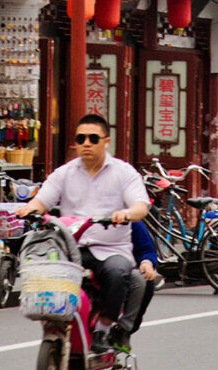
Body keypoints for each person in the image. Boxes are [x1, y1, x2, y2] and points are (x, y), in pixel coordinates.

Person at [23, 112, 148, 348]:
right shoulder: (64, 173)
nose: (86, 144)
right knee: (44, 268)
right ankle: (56, 321)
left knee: (118, 272)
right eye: (81, 139)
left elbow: (140, 206)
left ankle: (103, 327)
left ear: (106, 141)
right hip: (72, 248)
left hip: (111, 249)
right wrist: (30, 209)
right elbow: (42, 201)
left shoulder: (124, 172)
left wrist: (127, 213)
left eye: (93, 138)